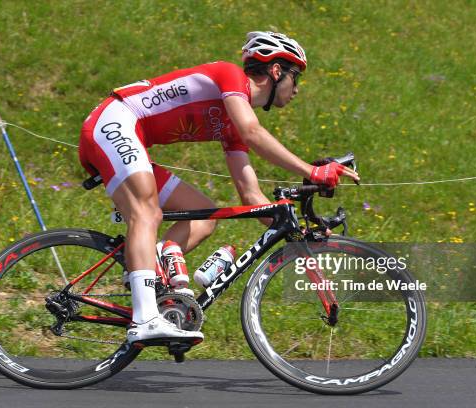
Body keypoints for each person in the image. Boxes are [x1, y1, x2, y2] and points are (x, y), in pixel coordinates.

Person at [78, 31, 360, 345]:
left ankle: (147, 267)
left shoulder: (234, 126)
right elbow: (252, 132)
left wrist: (299, 234)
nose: (296, 89)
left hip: (129, 137)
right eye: (296, 77)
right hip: (115, 121)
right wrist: (312, 171)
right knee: (146, 212)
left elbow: (251, 196)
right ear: (276, 71)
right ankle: (145, 320)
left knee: (204, 217)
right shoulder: (229, 75)